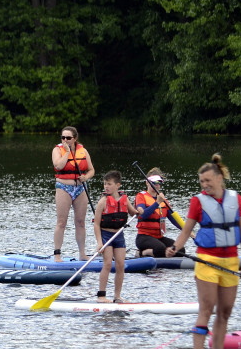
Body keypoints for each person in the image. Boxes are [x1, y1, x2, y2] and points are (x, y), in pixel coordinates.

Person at [166, 154, 241, 349]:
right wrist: (175, 247)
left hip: (231, 262)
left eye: (208, 181)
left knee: (225, 312)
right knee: (207, 309)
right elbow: (186, 231)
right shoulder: (198, 201)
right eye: (201, 182)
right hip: (207, 260)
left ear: (219, 178)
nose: (205, 185)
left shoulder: (236, 199)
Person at [93, 170, 140, 303]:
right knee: (107, 263)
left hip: (119, 235)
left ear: (117, 185)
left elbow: (133, 213)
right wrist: (99, 242)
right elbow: (96, 224)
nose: (106, 187)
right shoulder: (103, 201)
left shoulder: (125, 199)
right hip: (106, 235)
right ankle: (101, 296)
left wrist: (139, 211)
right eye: (104, 184)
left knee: (120, 265)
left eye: (109, 184)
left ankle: (117, 296)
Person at [51, 126, 96, 263]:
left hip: (80, 188)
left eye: (68, 138)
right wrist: (67, 152)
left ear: (75, 138)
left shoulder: (83, 151)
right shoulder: (57, 150)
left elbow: (91, 170)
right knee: (61, 222)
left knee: (81, 222)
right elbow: (58, 166)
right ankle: (57, 254)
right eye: (63, 137)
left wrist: (85, 177)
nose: (65, 140)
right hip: (64, 187)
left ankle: (82, 253)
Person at [134, 167, 189, 257]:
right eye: (153, 182)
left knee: (180, 249)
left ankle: (162, 254)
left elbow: (174, 220)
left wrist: (188, 231)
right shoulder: (141, 196)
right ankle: (141, 253)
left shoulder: (164, 201)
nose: (156, 185)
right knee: (161, 249)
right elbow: (143, 215)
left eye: (158, 183)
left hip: (159, 237)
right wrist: (157, 202)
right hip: (144, 237)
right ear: (147, 182)